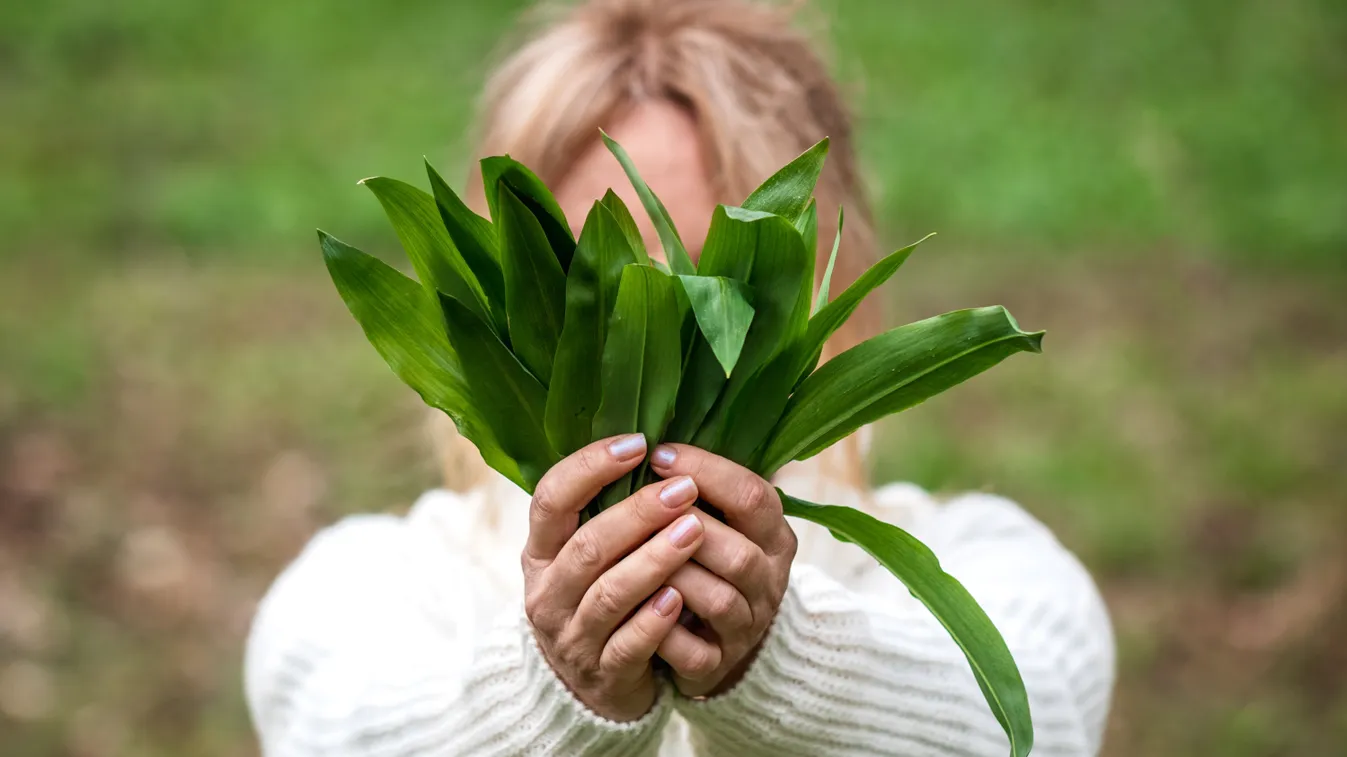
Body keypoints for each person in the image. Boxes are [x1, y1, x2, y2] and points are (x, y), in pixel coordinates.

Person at [244, 0, 1115, 754]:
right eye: (598, 284)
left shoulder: (988, 566)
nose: (654, 350)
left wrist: (783, 661)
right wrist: (549, 692)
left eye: (719, 284)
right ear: (494, 300)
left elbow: (1041, 715)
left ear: (831, 301)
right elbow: (326, 721)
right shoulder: (378, 586)